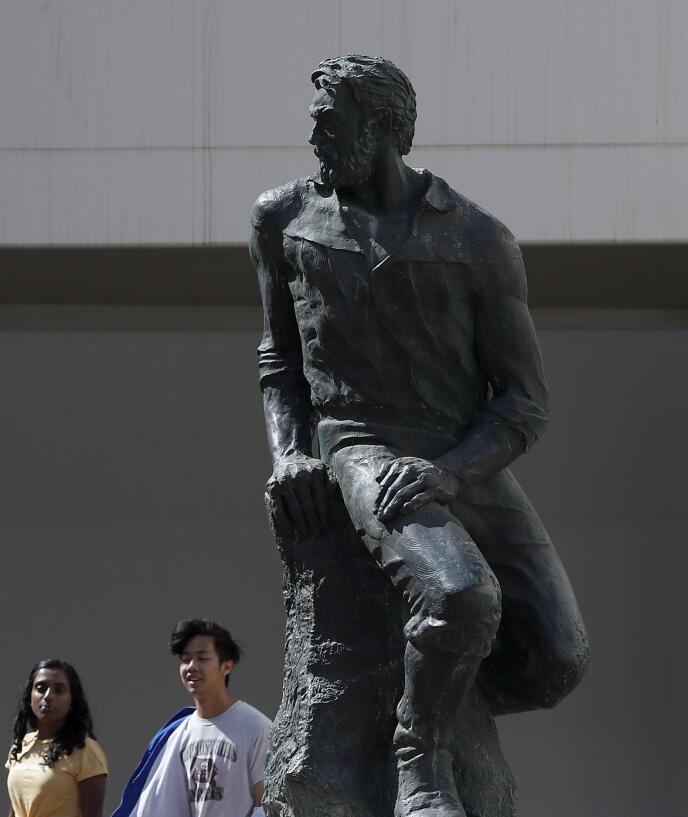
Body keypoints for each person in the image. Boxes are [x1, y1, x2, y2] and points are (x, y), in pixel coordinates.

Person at [251, 54, 590, 817]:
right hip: (359, 440)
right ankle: (420, 757)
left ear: (381, 128)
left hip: (458, 454)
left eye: (329, 120)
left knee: (559, 657)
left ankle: (431, 687)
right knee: (464, 597)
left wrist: (452, 472)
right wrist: (290, 452)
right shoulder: (283, 218)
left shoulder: (476, 239)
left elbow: (525, 400)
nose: (313, 133)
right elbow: (280, 360)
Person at [115, 620, 270, 817]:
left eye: (202, 658)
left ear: (226, 666)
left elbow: (268, 805)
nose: (191, 666)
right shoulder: (179, 735)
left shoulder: (256, 728)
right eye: (185, 659)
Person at [6, 659, 108, 817]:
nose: (47, 696)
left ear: (72, 700)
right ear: (30, 696)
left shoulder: (86, 750)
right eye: (40, 688)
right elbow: (16, 809)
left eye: (59, 690)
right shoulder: (21, 746)